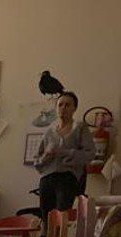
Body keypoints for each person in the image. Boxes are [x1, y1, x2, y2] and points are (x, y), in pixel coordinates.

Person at [34, 91, 96, 221]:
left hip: (67, 178)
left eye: (67, 105)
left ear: (74, 108)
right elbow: (37, 162)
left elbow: (90, 154)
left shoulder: (80, 128)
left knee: (62, 216)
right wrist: (45, 157)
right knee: (46, 217)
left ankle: (60, 234)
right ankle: (45, 234)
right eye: (60, 105)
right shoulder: (49, 132)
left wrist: (65, 152)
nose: (63, 108)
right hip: (46, 179)